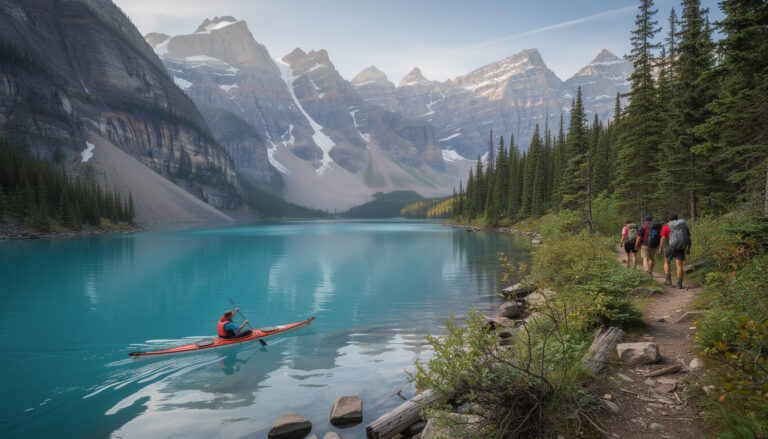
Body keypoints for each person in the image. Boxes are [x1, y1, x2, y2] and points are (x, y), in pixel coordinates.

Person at [659, 214, 691, 289]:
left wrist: (660, 247)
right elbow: (688, 238)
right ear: (677, 219)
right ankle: (679, 284)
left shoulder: (666, 227)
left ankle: (668, 280)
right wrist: (688, 248)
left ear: (669, 219)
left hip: (669, 247)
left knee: (667, 262)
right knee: (679, 265)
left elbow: (663, 238)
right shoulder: (684, 226)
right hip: (680, 247)